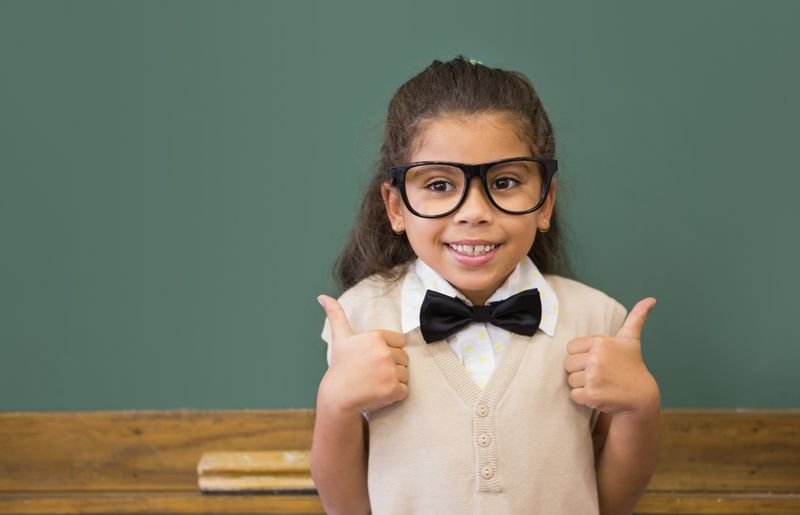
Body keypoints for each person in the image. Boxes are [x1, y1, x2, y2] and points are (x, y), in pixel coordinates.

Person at [310, 55, 660, 515]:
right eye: (438, 185)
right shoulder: (359, 320)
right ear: (395, 207)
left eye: (506, 181)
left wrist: (641, 409)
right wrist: (334, 404)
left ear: (545, 200)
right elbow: (346, 508)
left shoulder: (597, 321)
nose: (473, 211)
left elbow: (609, 503)